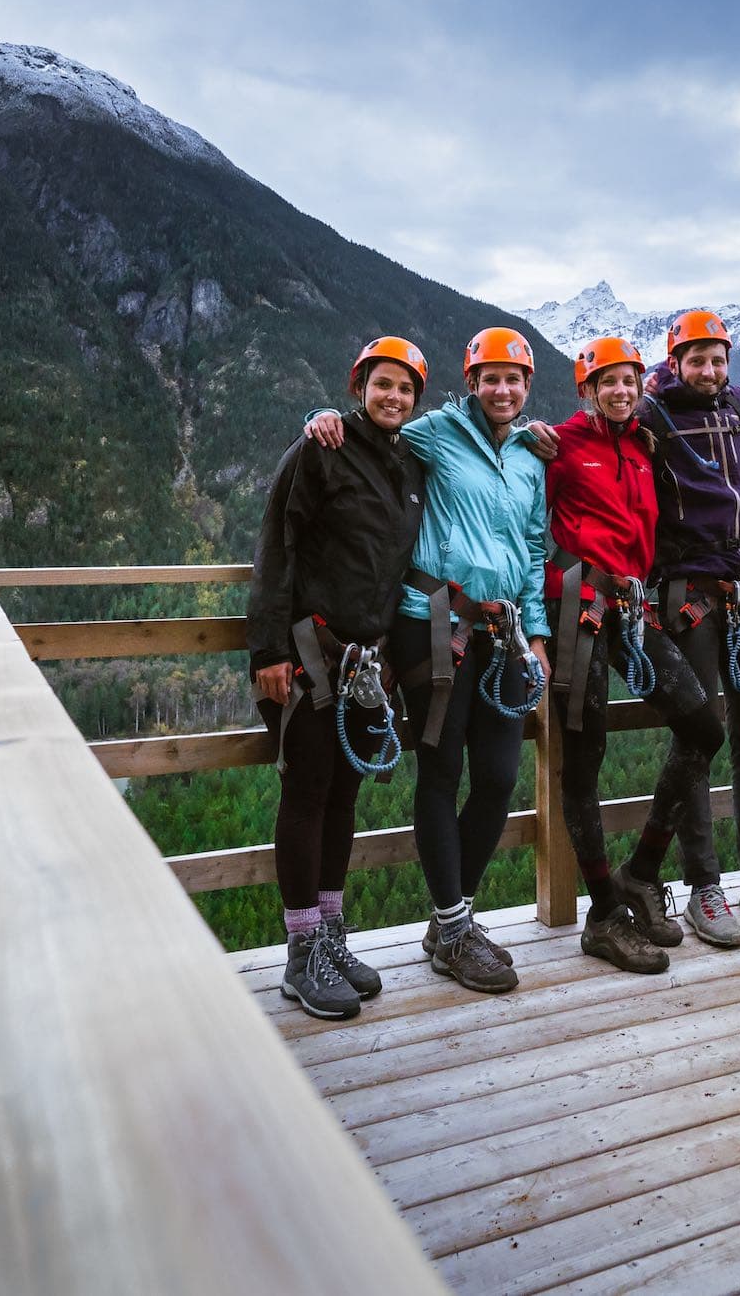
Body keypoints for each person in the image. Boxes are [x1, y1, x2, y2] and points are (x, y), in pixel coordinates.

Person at [303, 326, 551, 994]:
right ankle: (453, 920)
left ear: (527, 387)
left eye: (514, 378)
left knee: (499, 777)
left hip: (504, 633)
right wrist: (319, 418)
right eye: (490, 376)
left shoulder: (530, 457)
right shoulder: (436, 431)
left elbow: (533, 550)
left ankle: (452, 922)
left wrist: (540, 637)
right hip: (435, 627)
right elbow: (368, 434)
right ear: (470, 382)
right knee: (442, 772)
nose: (502, 388)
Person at [247, 336, 431, 1020]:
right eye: (383, 384)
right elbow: (275, 544)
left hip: (364, 660)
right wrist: (269, 648)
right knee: (308, 790)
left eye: (406, 388)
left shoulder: (409, 462)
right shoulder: (320, 451)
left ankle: (330, 932)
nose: (394, 397)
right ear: (360, 387)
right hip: (307, 653)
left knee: (345, 794)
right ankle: (301, 955)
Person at [539, 335, 727, 973]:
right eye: (607, 382)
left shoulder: (643, 445)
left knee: (702, 726)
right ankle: (602, 914)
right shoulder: (559, 447)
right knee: (585, 755)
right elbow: (506, 495)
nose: (621, 391)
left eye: (629, 381)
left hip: (632, 607)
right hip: (578, 609)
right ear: (586, 389)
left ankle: (641, 872)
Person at [625, 309, 740, 947]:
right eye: (695, 359)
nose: (709, 369)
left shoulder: (737, 402)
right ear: (674, 363)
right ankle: (704, 884)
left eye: (717, 358)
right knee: (697, 742)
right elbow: (597, 421)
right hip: (691, 595)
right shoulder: (653, 413)